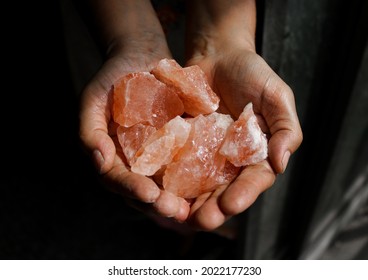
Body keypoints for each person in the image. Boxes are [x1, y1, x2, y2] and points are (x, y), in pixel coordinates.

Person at [76, 0, 303, 232]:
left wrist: (222, 41)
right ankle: (166, 230)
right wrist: (130, 39)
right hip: (110, 21)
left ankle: (185, 234)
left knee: (189, 209)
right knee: (154, 201)